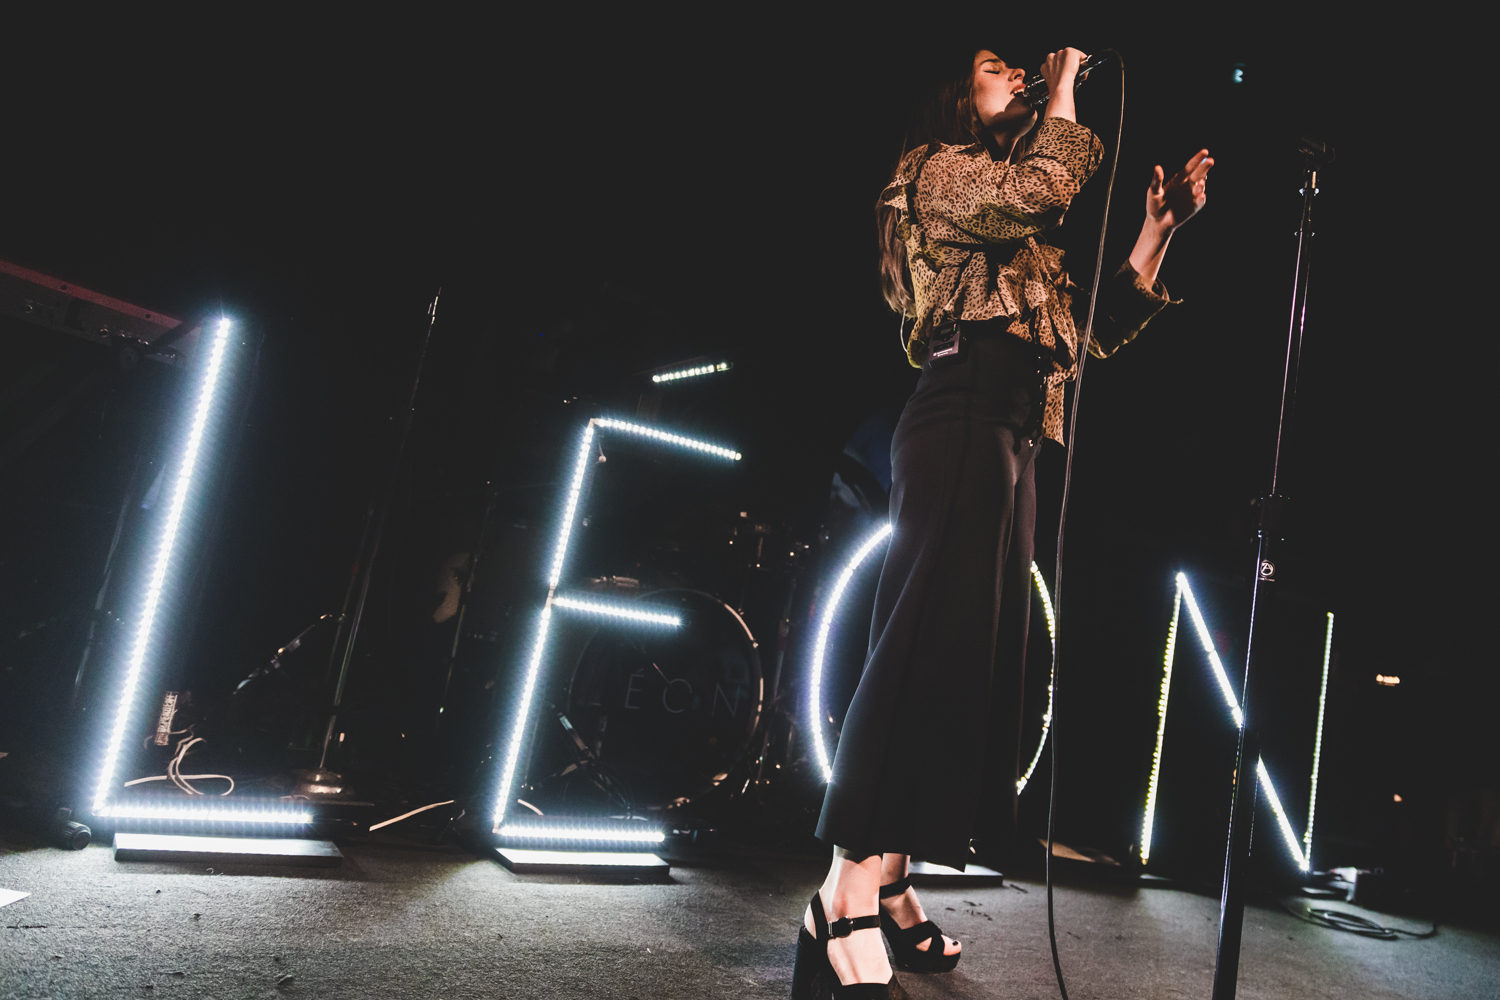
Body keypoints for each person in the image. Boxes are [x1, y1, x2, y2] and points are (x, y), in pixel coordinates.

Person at [792, 46, 1213, 998]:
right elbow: (1044, 184)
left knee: (979, 667)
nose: (1017, 73)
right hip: (960, 413)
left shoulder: (1024, 239)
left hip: (1020, 430)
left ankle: (894, 880)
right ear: (955, 94)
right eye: (997, 66)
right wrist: (1064, 90)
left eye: (1023, 67)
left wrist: (1155, 234)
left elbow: (1087, 333)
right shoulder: (939, 174)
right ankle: (841, 888)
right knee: (925, 649)